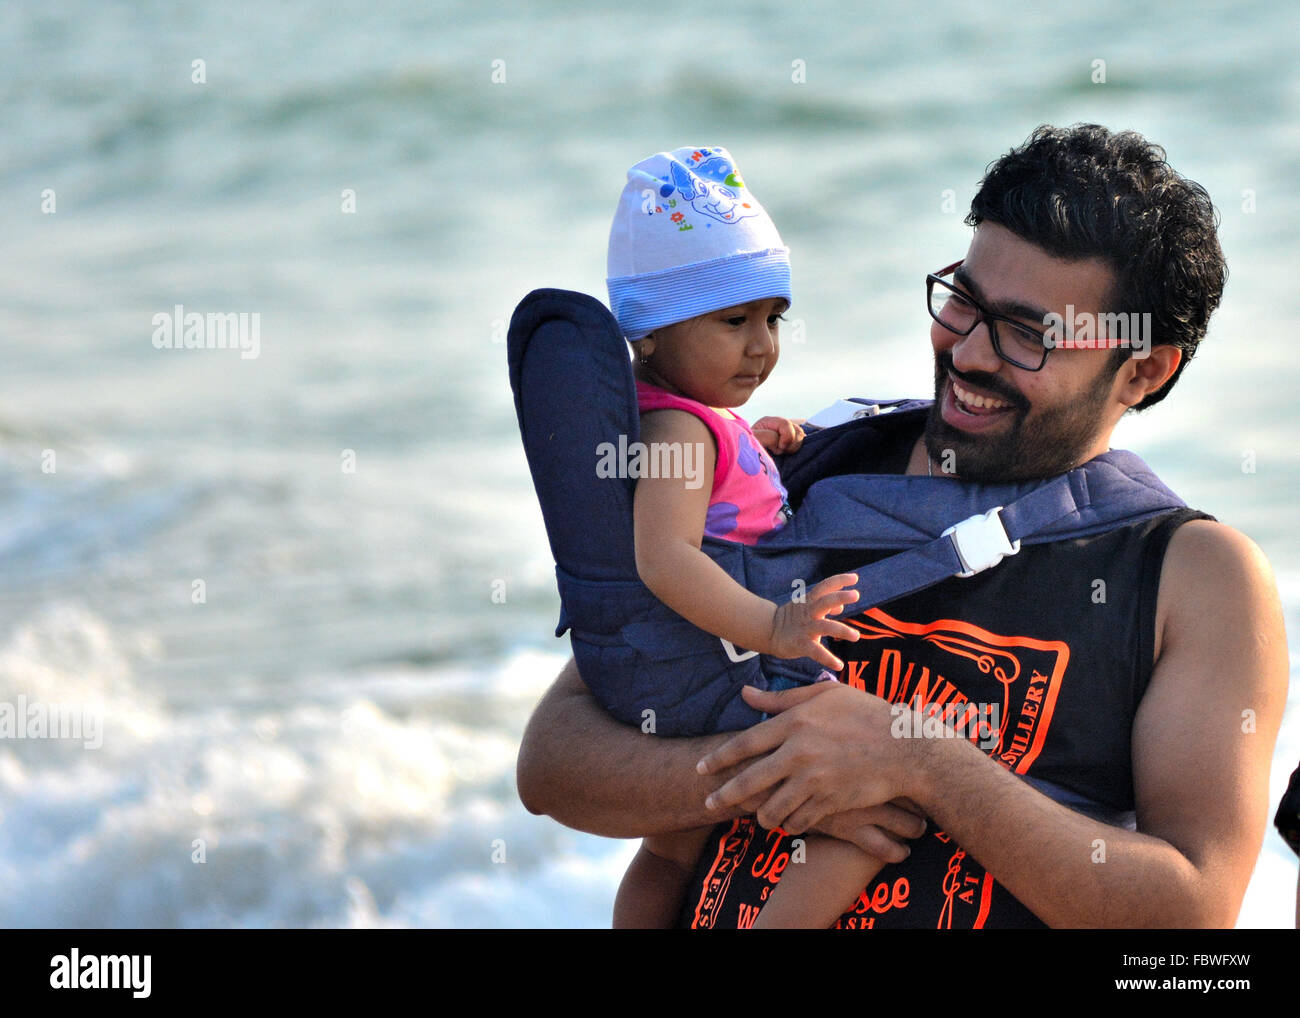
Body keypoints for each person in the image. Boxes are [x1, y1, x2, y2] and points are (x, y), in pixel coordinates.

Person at [516, 124, 1289, 928]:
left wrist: (918, 761)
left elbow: (1190, 913)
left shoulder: (1190, 575)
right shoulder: (806, 466)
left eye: (1028, 334)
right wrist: (769, 775)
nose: (968, 353)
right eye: (964, 301)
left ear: (1142, 369)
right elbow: (555, 762)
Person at [530, 145, 892, 928]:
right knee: (868, 817)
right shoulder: (680, 434)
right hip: (720, 666)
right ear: (650, 332)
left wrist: (757, 444)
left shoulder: (683, 421)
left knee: (669, 850)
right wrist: (776, 625)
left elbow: (714, 502)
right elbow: (663, 558)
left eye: (773, 319)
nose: (762, 345)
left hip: (677, 674)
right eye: (734, 321)